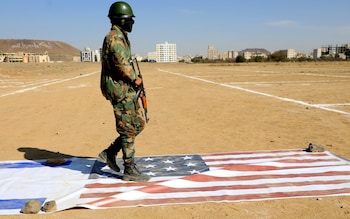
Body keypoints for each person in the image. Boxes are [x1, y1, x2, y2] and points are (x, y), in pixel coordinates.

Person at [98, 1, 150, 182]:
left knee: (139, 124)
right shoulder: (115, 38)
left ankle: (110, 152)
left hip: (126, 88)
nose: (132, 23)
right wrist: (135, 79)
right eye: (129, 19)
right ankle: (129, 168)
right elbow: (122, 65)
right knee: (128, 128)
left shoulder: (120, 36)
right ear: (120, 20)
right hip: (120, 90)